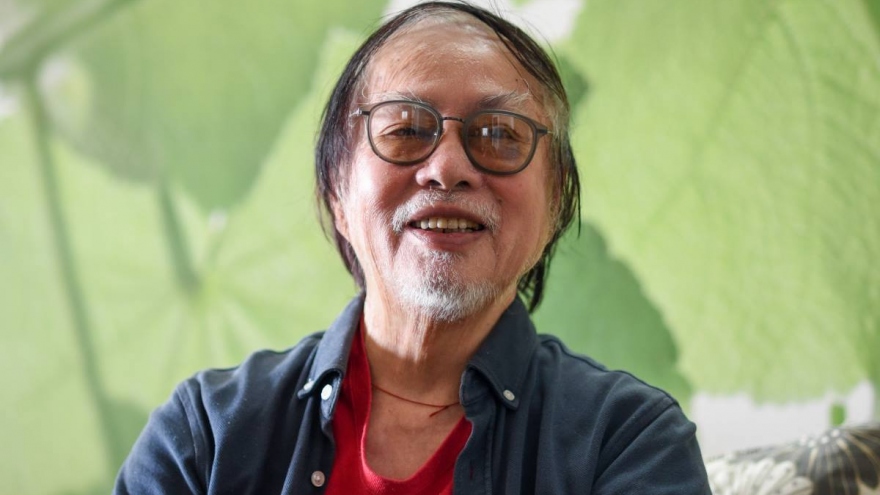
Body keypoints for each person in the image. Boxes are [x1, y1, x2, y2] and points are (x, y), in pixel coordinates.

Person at [114, 2, 711, 493]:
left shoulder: (627, 442)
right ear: (337, 193)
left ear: (556, 204)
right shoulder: (205, 438)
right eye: (404, 130)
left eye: (499, 134)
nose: (447, 168)